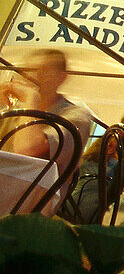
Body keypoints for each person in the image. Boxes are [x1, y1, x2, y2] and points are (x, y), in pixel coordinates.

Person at [0, 49, 92, 179]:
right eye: (28, 69)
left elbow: (28, 151)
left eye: (43, 70)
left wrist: (31, 99)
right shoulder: (14, 109)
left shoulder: (76, 116)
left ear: (62, 77)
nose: (31, 76)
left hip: (33, 194)